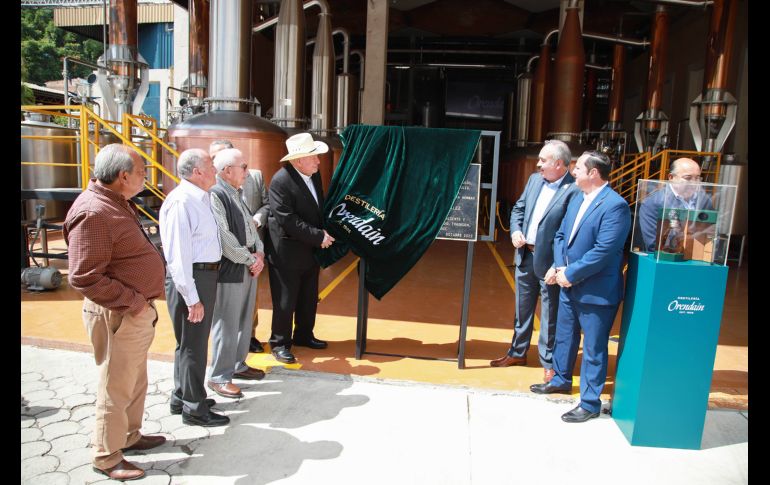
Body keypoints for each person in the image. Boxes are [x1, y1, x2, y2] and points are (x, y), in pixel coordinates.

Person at [63, 144, 166, 481]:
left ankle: (129, 436)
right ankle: (107, 456)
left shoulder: (115, 202)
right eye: (141, 171)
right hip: (118, 313)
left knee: (135, 381)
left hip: (132, 312)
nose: (146, 177)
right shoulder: (94, 212)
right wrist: (133, 302)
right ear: (123, 176)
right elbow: (83, 276)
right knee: (116, 386)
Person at [530, 151, 631, 424]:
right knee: (564, 336)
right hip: (569, 284)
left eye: (578, 168)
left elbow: (604, 251)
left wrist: (571, 273)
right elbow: (562, 235)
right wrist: (559, 267)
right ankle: (561, 379)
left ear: (594, 173)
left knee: (594, 349)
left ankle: (589, 402)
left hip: (596, 292)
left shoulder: (615, 206)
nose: (574, 172)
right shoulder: (578, 198)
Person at [490, 140, 580, 384]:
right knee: (522, 309)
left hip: (550, 263)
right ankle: (517, 352)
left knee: (550, 315)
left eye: (543, 160)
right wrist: (516, 230)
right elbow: (519, 208)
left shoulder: (574, 191)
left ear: (559, 164)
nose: (538, 165)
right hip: (525, 256)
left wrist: (559, 263)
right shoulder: (534, 180)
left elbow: (570, 231)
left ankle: (548, 363)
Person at [159, 148, 229, 427]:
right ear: (197, 171)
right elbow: (178, 257)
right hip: (193, 278)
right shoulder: (182, 202)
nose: (215, 169)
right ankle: (194, 409)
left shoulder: (200, 198)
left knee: (189, 343)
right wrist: (192, 298)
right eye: (211, 164)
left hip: (202, 276)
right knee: (194, 345)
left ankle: (183, 395)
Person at [266, 132, 335, 364]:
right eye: (313, 156)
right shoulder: (280, 181)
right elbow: (287, 220)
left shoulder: (312, 175)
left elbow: (318, 208)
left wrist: (323, 233)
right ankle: (279, 343)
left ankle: (304, 335)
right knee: (285, 300)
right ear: (297, 161)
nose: (318, 160)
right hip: (287, 252)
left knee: (308, 296)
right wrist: (318, 236)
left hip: (308, 250)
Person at [206, 147, 266, 399]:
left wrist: (259, 253)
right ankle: (219, 376)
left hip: (248, 265)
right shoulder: (216, 195)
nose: (247, 172)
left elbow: (251, 228)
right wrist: (249, 258)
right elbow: (224, 236)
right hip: (232, 268)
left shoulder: (236, 193)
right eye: (243, 167)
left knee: (243, 320)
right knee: (227, 323)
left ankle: (238, 364)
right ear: (227, 171)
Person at [637, 158, 714, 252]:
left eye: (697, 178)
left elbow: (711, 232)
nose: (694, 183)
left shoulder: (704, 200)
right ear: (671, 177)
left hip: (698, 257)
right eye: (688, 178)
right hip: (667, 259)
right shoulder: (654, 202)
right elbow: (653, 243)